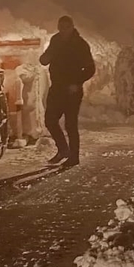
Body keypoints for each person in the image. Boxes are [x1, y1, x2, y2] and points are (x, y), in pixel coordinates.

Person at [39, 15, 95, 166]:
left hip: (72, 90)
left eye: (66, 27)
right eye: (60, 27)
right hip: (57, 87)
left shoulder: (80, 44)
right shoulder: (55, 40)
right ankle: (63, 149)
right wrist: (45, 57)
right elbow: (45, 59)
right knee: (50, 120)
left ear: (71, 27)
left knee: (70, 124)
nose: (63, 31)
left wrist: (76, 83)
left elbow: (90, 68)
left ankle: (74, 157)